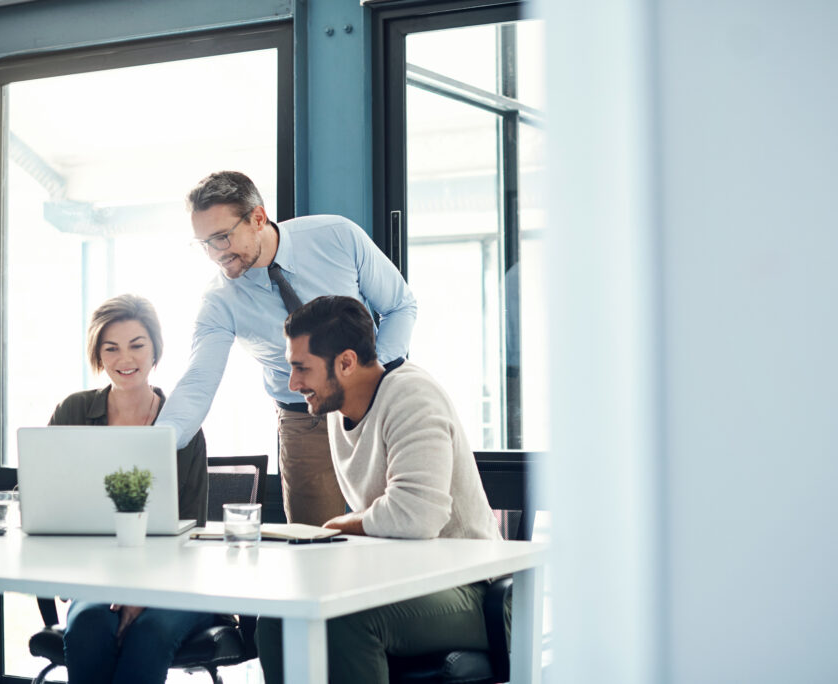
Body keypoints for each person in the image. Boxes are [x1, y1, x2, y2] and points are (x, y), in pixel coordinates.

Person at [255, 295, 501, 683]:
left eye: (302, 368)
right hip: (403, 578)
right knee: (278, 614)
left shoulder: (411, 396)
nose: (293, 384)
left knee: (344, 618)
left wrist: (340, 525)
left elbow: (416, 516)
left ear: (346, 362)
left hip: (466, 588)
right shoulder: (338, 412)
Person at [157, 171, 416, 526]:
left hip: (377, 406)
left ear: (258, 218)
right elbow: (199, 381)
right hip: (304, 421)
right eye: (203, 244)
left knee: (396, 528)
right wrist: (156, 445)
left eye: (221, 238)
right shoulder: (218, 300)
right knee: (313, 546)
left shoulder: (336, 236)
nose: (214, 254)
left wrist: (374, 382)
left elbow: (400, 306)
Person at [48, 294, 222, 684]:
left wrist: (141, 594)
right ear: (99, 355)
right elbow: (43, 495)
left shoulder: (181, 424)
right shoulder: (73, 412)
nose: (125, 359)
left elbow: (191, 527)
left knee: (148, 634)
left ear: (155, 349)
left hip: (175, 582)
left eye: (137, 345)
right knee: (88, 627)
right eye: (112, 348)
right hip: (98, 577)